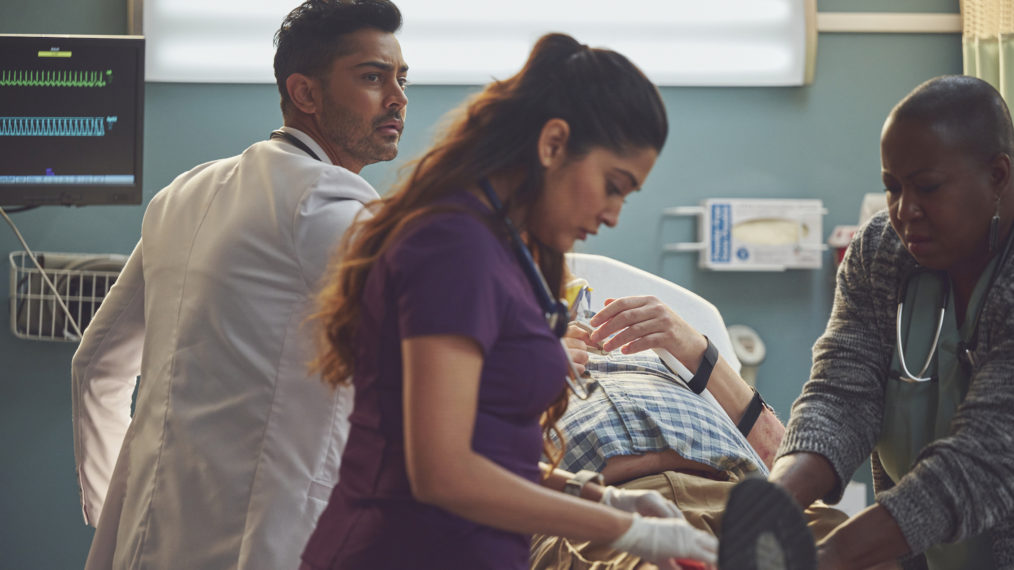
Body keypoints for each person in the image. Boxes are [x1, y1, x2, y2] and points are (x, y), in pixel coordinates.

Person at [300, 33, 719, 570]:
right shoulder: (453, 247)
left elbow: (494, 454)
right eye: (614, 186)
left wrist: (600, 496)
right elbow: (443, 471)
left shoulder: (506, 253)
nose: (614, 213)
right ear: (552, 144)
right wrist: (631, 530)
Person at [69, 1, 407, 568]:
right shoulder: (328, 206)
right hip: (265, 547)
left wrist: (111, 513)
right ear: (305, 93)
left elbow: (95, 367)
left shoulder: (181, 194)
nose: (397, 96)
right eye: (373, 77)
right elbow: (439, 349)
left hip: (141, 546)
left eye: (401, 77)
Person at [760, 75, 1014, 569]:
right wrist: (773, 503)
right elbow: (841, 394)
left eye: (927, 187)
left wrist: (827, 556)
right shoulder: (881, 252)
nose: (904, 211)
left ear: (998, 176)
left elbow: (988, 460)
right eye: (892, 187)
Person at [531, 289, 849, 570]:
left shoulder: (665, 358)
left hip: (736, 500)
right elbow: (485, 478)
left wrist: (695, 348)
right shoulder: (505, 373)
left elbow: (782, 461)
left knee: (867, 554)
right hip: (589, 514)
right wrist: (524, 376)